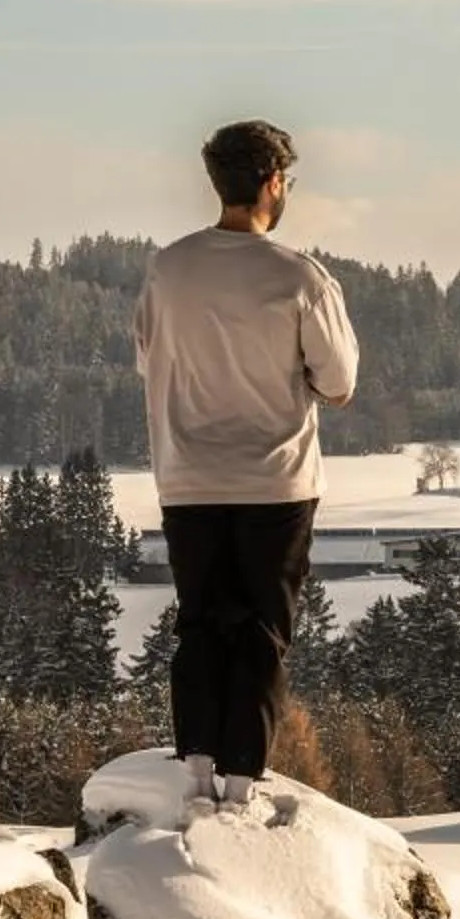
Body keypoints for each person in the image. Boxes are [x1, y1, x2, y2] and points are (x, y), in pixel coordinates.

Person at [134, 119, 359, 811]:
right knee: (263, 631)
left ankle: (196, 773)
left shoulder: (168, 270)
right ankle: (241, 783)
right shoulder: (300, 277)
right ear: (272, 182)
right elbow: (340, 380)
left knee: (200, 624)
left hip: (189, 478)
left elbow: (147, 357)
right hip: (276, 482)